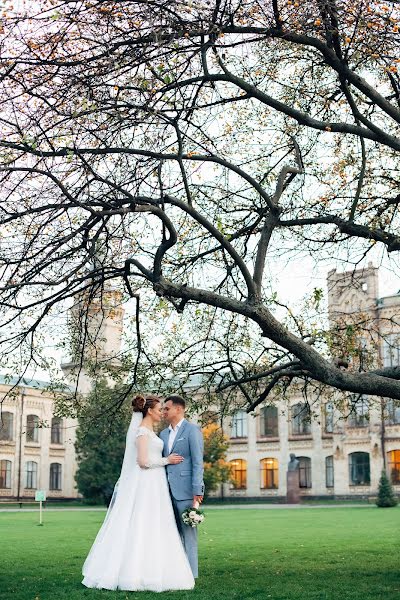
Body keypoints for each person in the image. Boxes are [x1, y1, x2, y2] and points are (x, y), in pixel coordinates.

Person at [82, 395, 195, 592]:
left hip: (156, 483)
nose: (162, 413)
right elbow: (142, 462)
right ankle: (134, 573)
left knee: (157, 523)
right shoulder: (142, 432)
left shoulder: (150, 431)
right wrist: (166, 461)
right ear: (150, 410)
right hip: (147, 482)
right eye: (160, 409)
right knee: (142, 522)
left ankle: (158, 569)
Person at [160, 395, 205, 578]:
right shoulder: (163, 434)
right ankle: (176, 572)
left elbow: (197, 461)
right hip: (164, 491)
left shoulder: (192, 430)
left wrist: (197, 490)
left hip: (186, 491)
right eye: (162, 409)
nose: (163, 412)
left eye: (166, 408)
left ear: (179, 409)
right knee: (171, 533)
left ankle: (191, 574)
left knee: (189, 534)